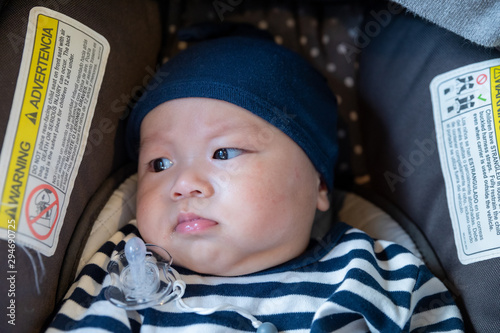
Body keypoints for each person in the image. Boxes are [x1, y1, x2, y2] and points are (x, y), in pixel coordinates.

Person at [48, 28, 464, 332]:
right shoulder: (126, 275)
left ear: (319, 185)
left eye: (223, 153)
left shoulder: (374, 273)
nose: (182, 184)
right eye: (159, 164)